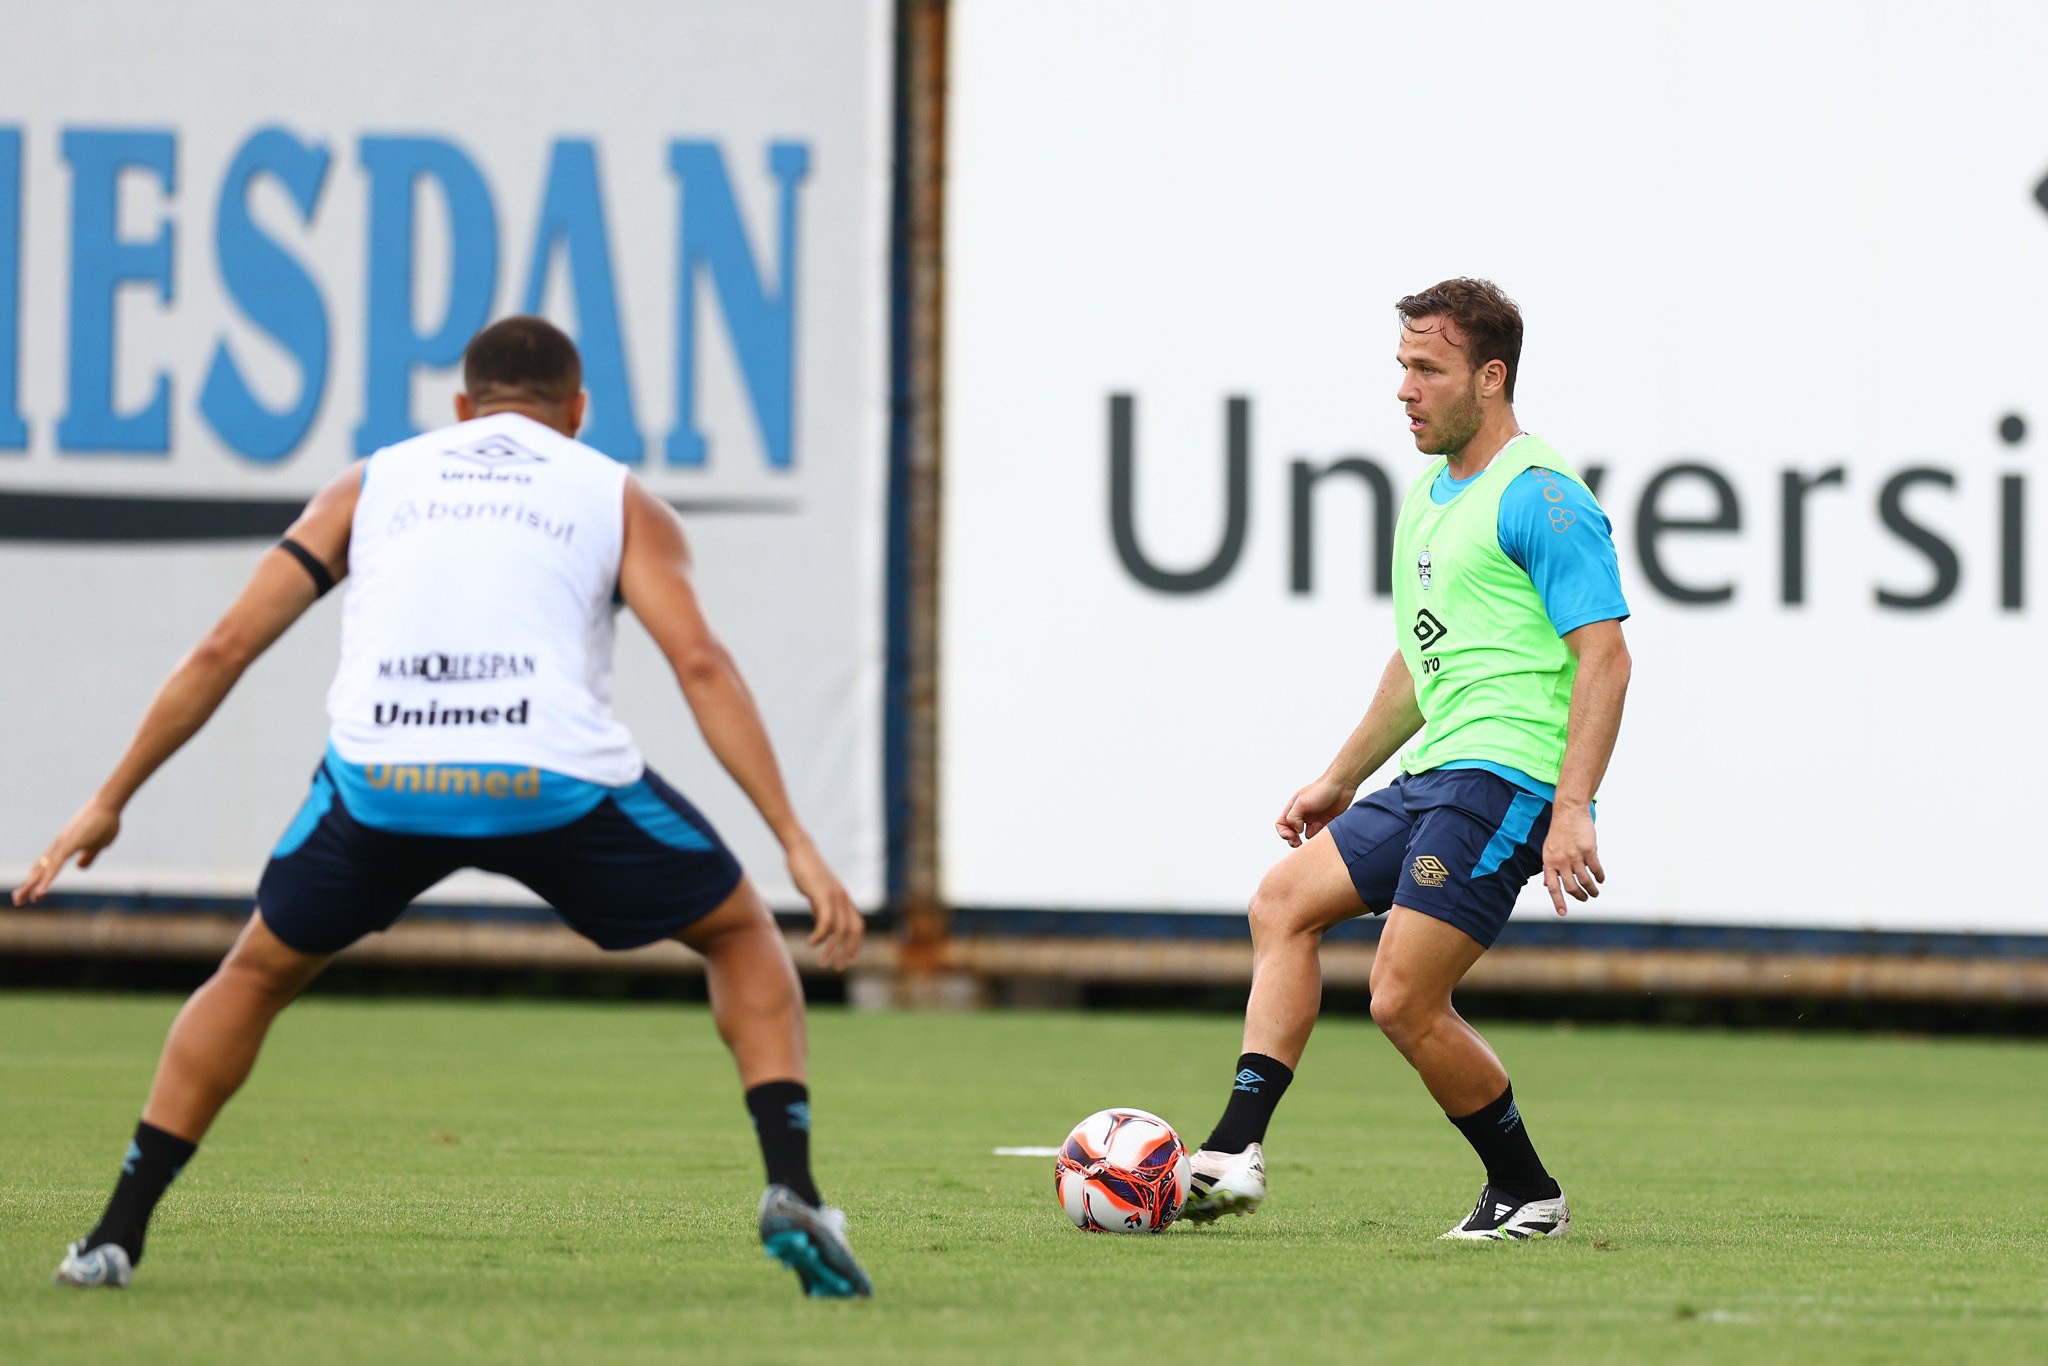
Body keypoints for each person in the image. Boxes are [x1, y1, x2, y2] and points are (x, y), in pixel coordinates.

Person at [14, 316, 874, 1297]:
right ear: (578, 414)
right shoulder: (616, 494)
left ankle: (111, 1237)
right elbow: (700, 661)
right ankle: (793, 1187)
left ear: (460, 408)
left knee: (251, 974)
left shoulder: (371, 481)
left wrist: (107, 801)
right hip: (547, 776)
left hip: (382, 778)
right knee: (738, 931)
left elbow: (222, 647)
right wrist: (795, 844)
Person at [1179, 279, 1632, 1240]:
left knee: (1401, 996)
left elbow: (1607, 653)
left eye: (1427, 369)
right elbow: (1421, 662)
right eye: (1402, 368)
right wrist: (1340, 776)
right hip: (1436, 773)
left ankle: (1526, 1192)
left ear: (1491, 377)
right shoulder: (1429, 495)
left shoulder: (1542, 497)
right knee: (1281, 902)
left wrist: (1573, 805)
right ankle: (1234, 1150)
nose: (1405, 390)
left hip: (1506, 777)